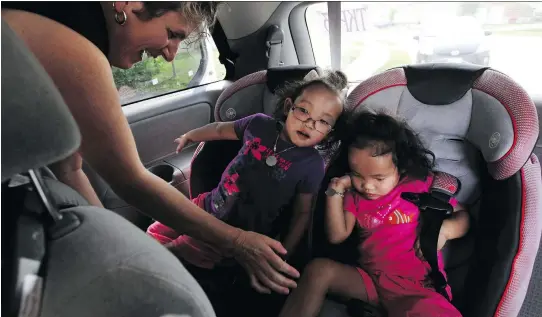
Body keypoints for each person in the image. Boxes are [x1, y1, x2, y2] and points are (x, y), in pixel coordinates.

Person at [2, 1, 299, 295]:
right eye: (172, 33)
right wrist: (237, 241)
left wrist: (116, 258)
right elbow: (131, 181)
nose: (171, 55)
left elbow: (69, 167)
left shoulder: (64, 26)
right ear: (127, 4)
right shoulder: (73, 48)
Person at [147, 71, 347, 272]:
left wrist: (284, 253)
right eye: (304, 111)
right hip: (209, 204)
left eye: (323, 122)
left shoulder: (312, 165)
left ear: (331, 131)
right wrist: (191, 136)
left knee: (175, 250)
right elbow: (219, 129)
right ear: (288, 107)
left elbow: (302, 212)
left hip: (238, 234)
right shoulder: (258, 124)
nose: (310, 124)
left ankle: (151, 264)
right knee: (155, 230)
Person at [279, 111, 471, 317]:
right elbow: (337, 236)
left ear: (401, 168)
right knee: (318, 270)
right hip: (371, 281)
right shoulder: (354, 197)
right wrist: (335, 189)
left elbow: (464, 217)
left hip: (417, 286)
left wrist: (444, 231)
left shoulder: (418, 185)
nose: (368, 186)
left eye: (379, 178)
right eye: (358, 175)